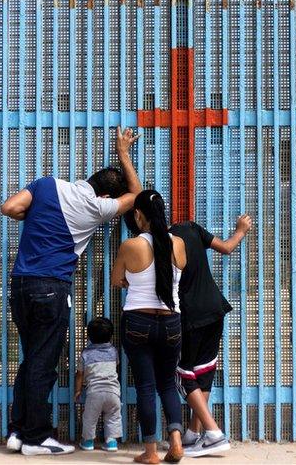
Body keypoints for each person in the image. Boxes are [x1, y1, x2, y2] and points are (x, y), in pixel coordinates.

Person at [0, 127, 141, 456]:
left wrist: (33, 216)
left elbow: (9, 208)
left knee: (31, 359)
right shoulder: (96, 208)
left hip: (20, 285)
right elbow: (135, 195)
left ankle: (18, 432)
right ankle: (36, 437)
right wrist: (123, 151)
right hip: (51, 287)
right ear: (105, 197)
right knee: (43, 364)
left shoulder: (47, 184)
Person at [111, 190, 187, 464]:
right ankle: (176, 441)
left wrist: (135, 283)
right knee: (168, 383)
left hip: (138, 322)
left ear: (138, 215)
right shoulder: (178, 243)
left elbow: (117, 280)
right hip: (171, 322)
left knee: (145, 386)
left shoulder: (131, 245)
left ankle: (151, 453)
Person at [170, 214, 251, 457]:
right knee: (203, 371)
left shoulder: (160, 241)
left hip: (190, 315)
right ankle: (194, 435)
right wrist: (241, 230)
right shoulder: (191, 228)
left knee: (183, 373)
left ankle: (213, 433)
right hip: (214, 309)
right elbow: (226, 248)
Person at [74, 317, 122, 452]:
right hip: (113, 393)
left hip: (94, 393)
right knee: (113, 417)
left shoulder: (86, 354)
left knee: (90, 418)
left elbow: (79, 374)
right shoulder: (113, 351)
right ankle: (111, 442)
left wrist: (78, 390)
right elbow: (116, 366)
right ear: (111, 335)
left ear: (89, 336)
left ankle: (88, 442)